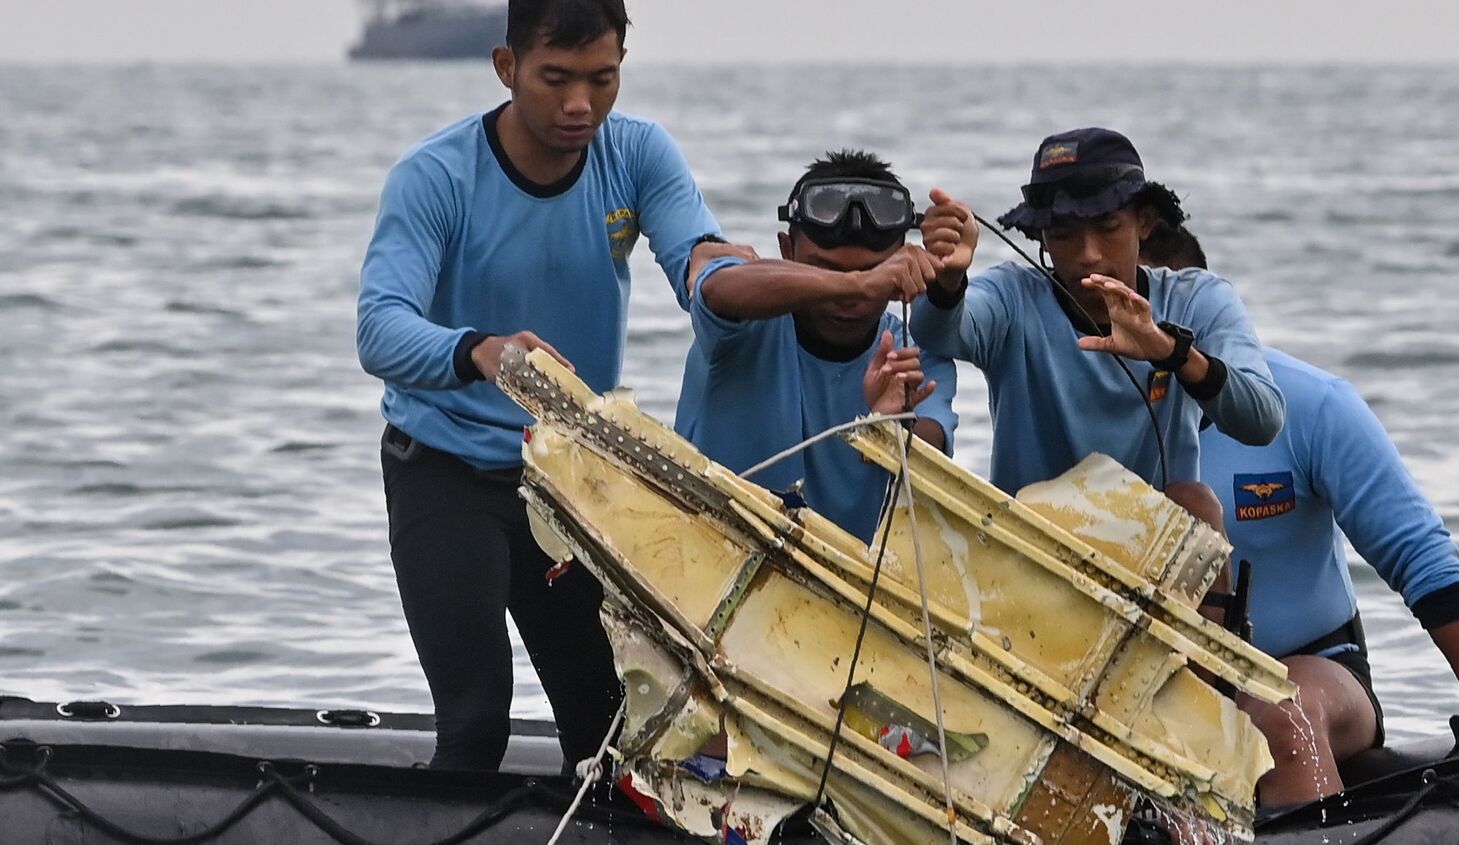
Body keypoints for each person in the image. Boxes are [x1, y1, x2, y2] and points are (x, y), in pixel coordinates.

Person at [355, 0, 737, 771]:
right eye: (555, 79)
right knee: (476, 724)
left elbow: (700, 260)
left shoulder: (635, 154)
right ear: (507, 68)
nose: (579, 106)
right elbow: (378, 327)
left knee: (612, 737)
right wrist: (481, 352)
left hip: (567, 479)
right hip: (444, 467)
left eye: (603, 79)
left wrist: (746, 278)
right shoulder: (435, 176)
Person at [1140, 226, 1459, 807]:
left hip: (1313, 670)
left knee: (1276, 716)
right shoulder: (1081, 419)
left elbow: (1419, 554)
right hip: (1145, 678)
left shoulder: (1312, 403)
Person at [910, 128, 1283, 526]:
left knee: (1195, 502)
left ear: (1145, 222)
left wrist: (1170, 351)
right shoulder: (1013, 298)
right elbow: (938, 333)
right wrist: (949, 280)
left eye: (1107, 228)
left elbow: (1263, 420)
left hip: (1157, 551)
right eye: (1063, 234)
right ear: (1040, 236)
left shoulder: (1198, 299)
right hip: (1030, 548)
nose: (1088, 255)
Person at [675, 150, 959, 539]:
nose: (850, 297)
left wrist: (889, 431)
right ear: (786, 251)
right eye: (825, 269)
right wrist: (862, 283)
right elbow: (715, 287)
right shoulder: (741, 324)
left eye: (876, 270)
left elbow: (935, 447)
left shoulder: (913, 352)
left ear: (901, 263)